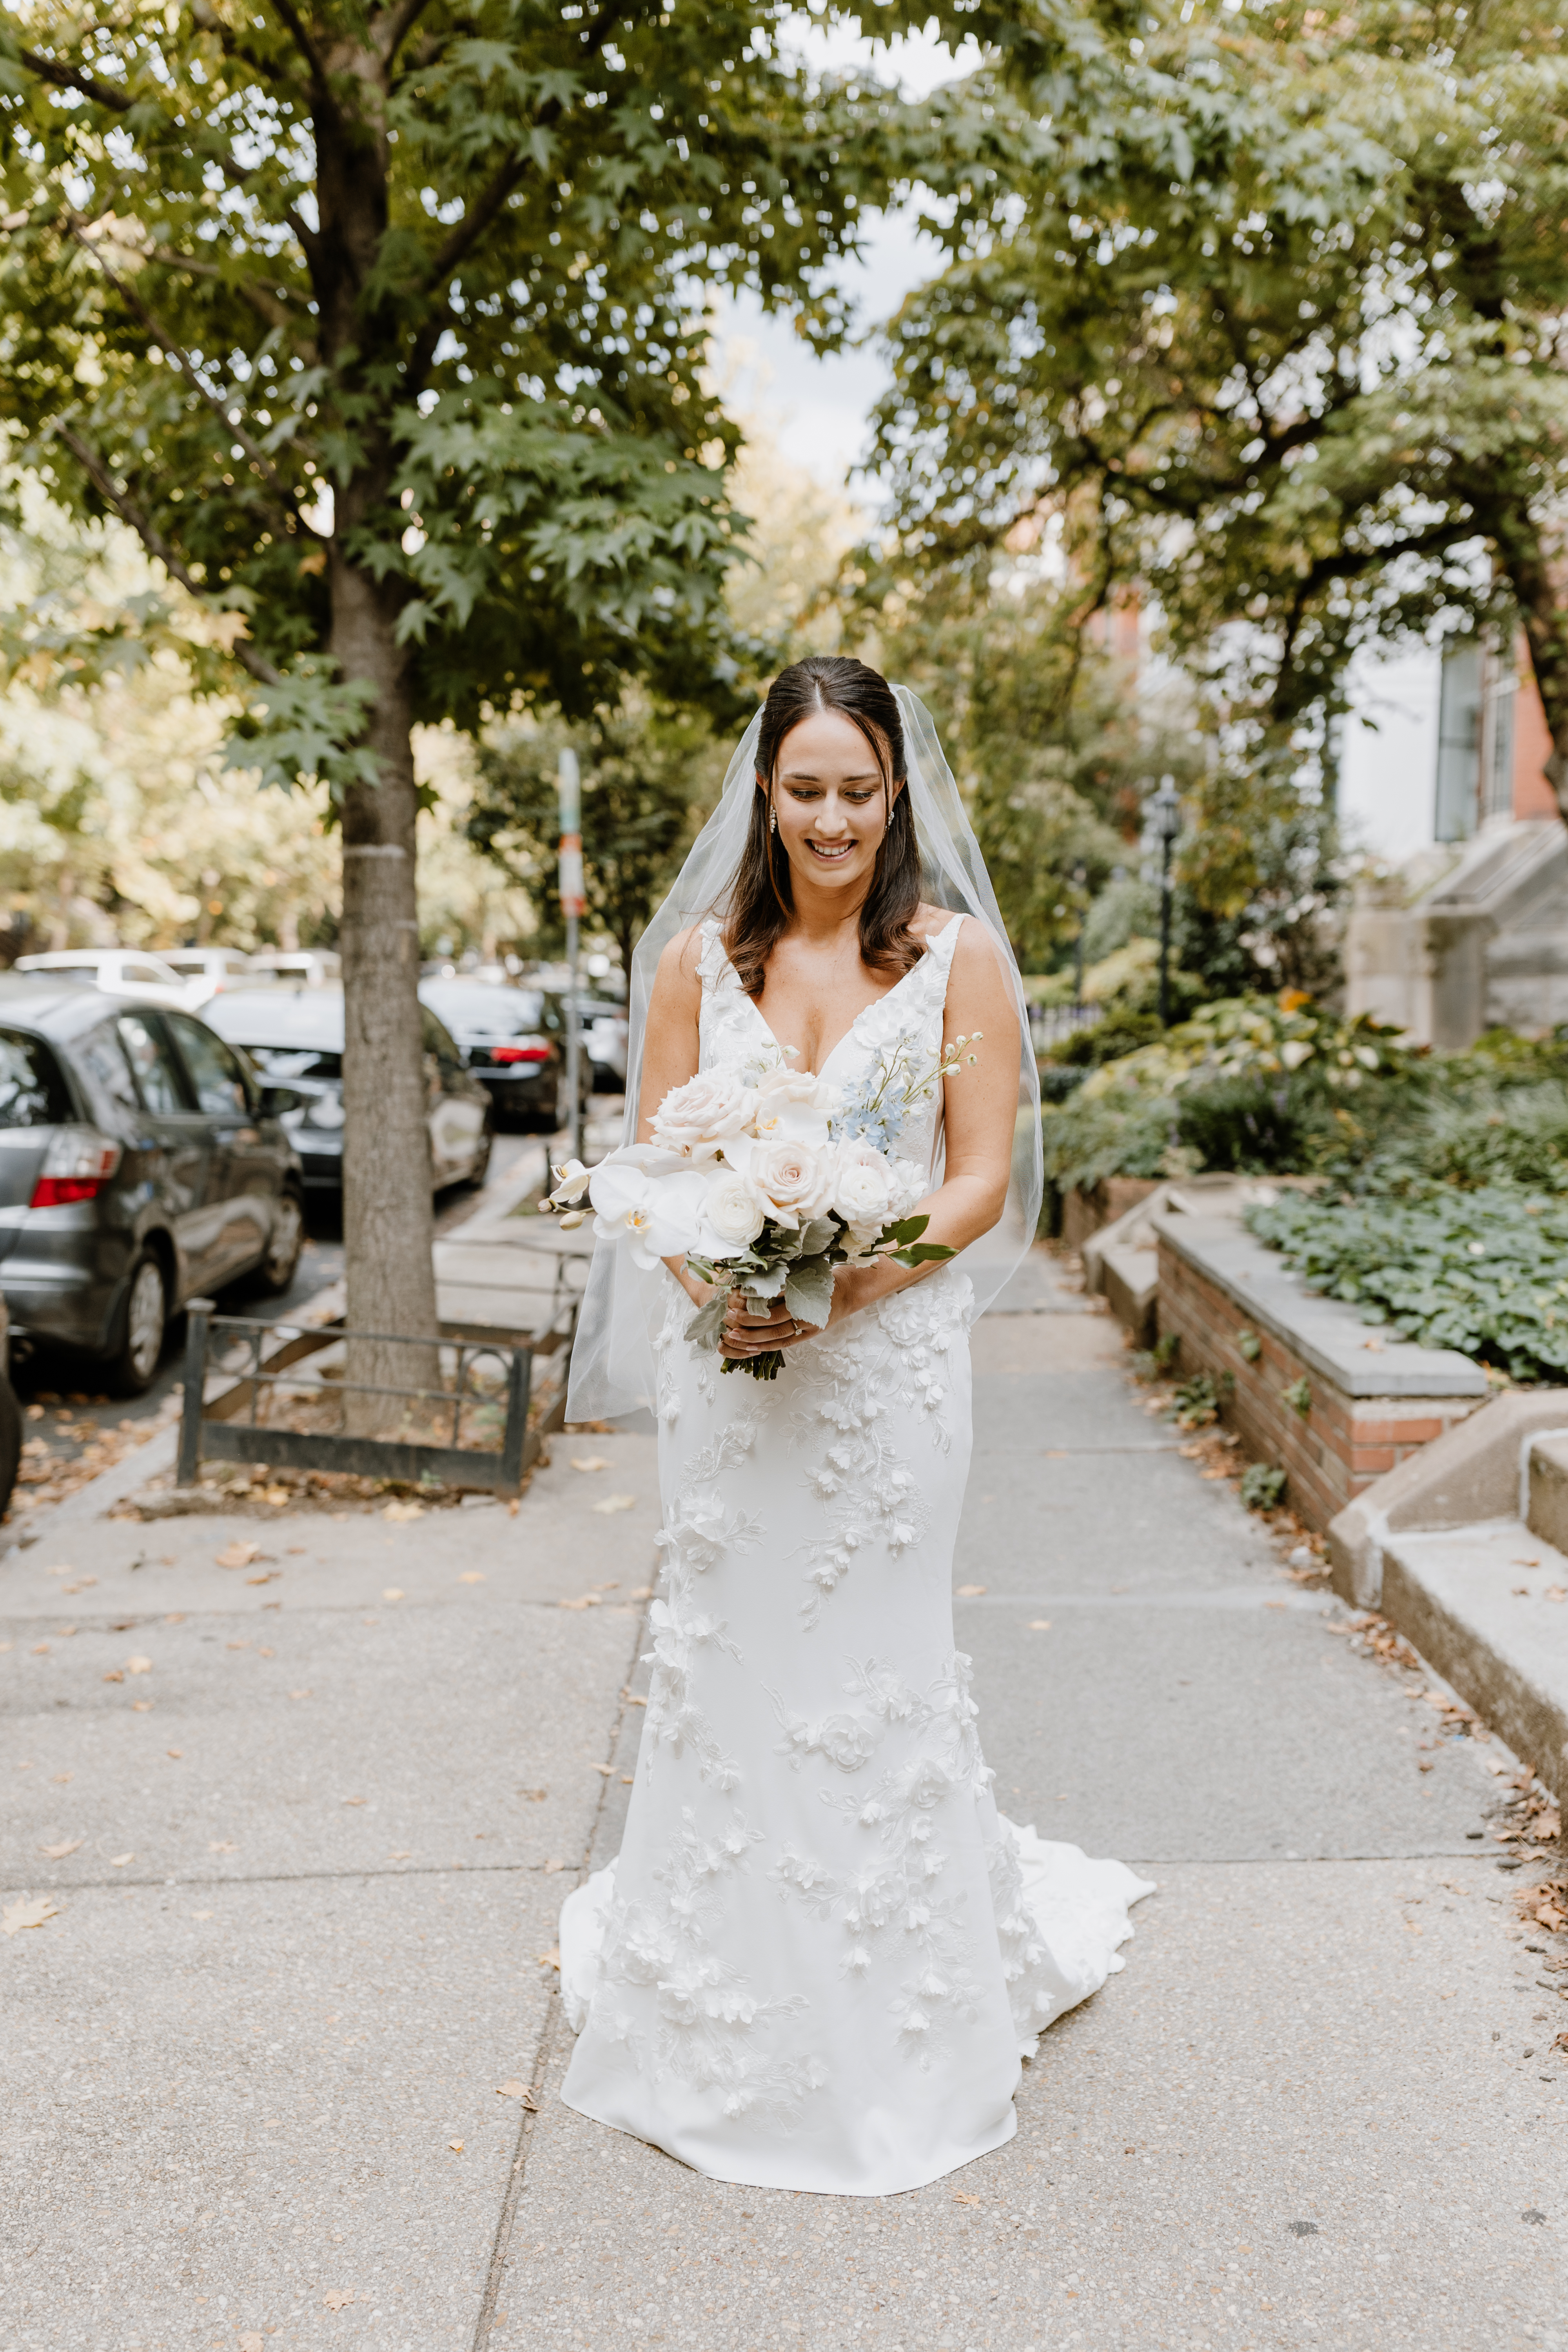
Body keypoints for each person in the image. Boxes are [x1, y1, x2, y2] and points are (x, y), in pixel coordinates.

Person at [557, 656, 1151, 2196]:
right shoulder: (698, 963)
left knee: (869, 1665)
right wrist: (722, 1281)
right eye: (805, 788)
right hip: (732, 1368)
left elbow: (973, 1180)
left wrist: (842, 1290)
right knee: (734, 1657)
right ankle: (715, 1991)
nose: (832, 817)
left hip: (885, 1377)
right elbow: (654, 1169)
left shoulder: (956, 971)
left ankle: (899, 2012)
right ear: (766, 790)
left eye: (858, 789)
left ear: (896, 796)